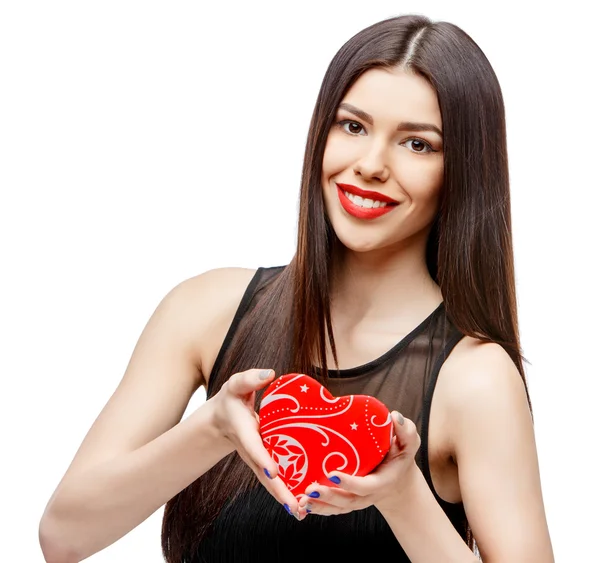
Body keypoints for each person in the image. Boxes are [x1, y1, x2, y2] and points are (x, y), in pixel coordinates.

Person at [39, 13, 554, 563]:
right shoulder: (205, 313)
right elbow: (65, 536)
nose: (370, 165)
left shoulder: (475, 377)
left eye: (418, 145)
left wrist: (402, 496)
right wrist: (213, 428)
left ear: (462, 171)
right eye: (352, 126)